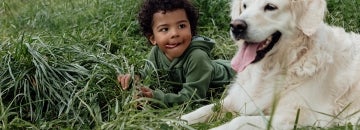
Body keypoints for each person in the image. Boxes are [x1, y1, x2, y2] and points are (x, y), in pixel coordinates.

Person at [118, 0, 236, 107]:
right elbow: (149, 74)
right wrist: (133, 79)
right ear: (153, 39)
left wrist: (157, 98)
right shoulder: (156, 52)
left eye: (181, 26)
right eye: (165, 29)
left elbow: (193, 98)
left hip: (236, 74)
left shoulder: (197, 57)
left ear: (191, 29)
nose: (175, 33)